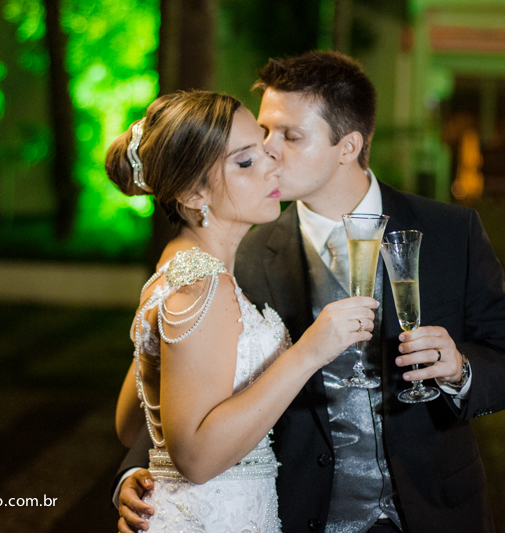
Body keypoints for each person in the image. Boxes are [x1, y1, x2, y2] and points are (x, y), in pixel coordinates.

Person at [116, 52, 505, 533]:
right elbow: (179, 376)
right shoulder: (242, 250)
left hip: (434, 510)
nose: (269, 150)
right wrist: (141, 472)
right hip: (305, 513)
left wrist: (460, 368)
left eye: (291, 136)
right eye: (264, 132)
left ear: (348, 146)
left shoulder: (450, 232)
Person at [107, 89, 378, 532]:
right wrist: (309, 352)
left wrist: (147, 472)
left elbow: (132, 423)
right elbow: (196, 461)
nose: (272, 165)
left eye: (264, 151)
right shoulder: (204, 287)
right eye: (246, 161)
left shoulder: (176, 270)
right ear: (194, 193)